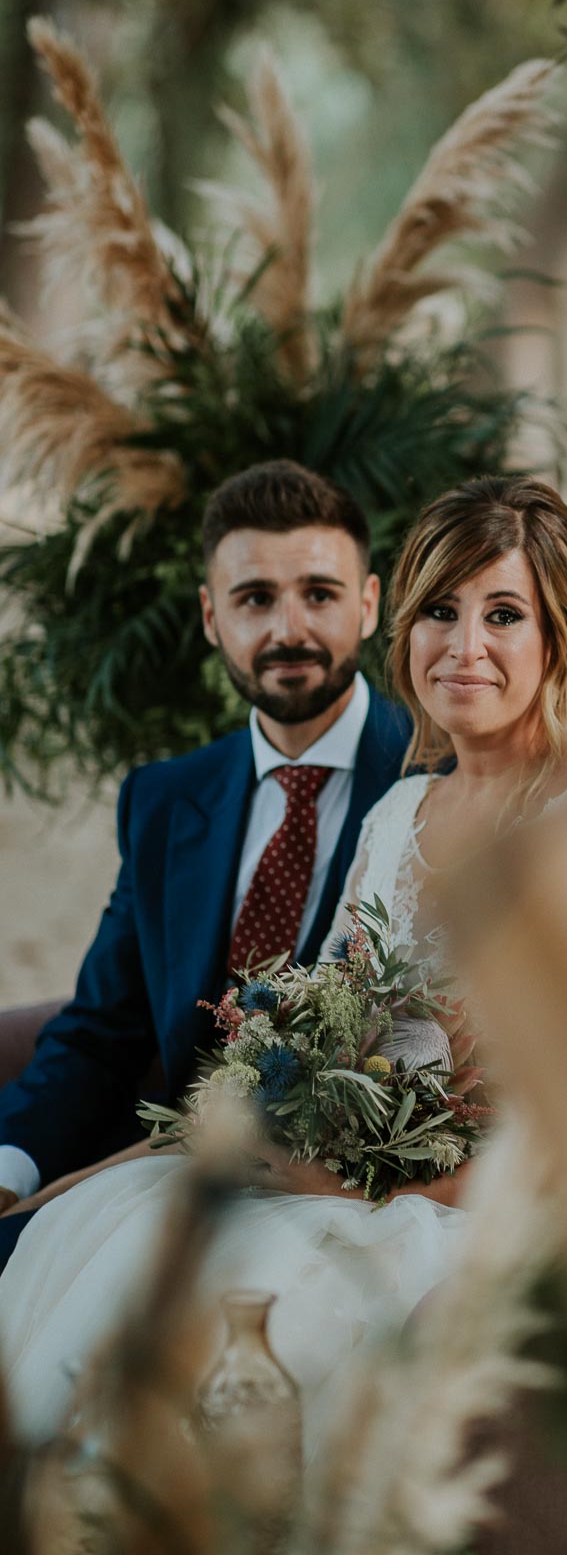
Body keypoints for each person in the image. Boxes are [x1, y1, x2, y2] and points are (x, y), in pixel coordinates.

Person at [0, 475, 567, 1450]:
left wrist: (371, 1190)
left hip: (458, 1206)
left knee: (250, 1301)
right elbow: (323, 1019)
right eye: (441, 609)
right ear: (402, 625)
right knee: (101, 1238)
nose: (466, 644)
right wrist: (271, 1124)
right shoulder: (397, 813)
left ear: (557, 637)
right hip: (327, 1176)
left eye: (504, 614)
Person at [0, 459, 412, 1268]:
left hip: (343, 1196)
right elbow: (100, 1031)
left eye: (319, 594)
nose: (287, 629)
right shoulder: (164, 799)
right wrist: (11, 1169)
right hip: (153, 1174)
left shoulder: (435, 780)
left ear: (367, 605)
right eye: (255, 598)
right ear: (210, 616)